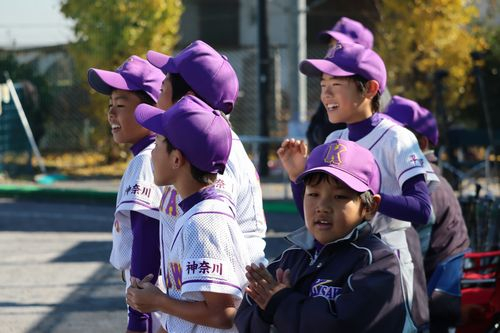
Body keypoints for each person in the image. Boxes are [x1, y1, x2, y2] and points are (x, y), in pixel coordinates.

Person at [279, 42, 440, 330]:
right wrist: (296, 177)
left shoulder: (396, 138)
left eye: (336, 84)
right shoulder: (333, 139)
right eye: (323, 83)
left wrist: (369, 200)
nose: (325, 93)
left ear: (369, 89)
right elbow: (315, 211)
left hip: (386, 257)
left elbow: (422, 208)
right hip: (340, 257)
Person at [235, 139, 415, 333]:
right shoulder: (290, 258)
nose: (322, 207)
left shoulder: (377, 261)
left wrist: (280, 302)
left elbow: (343, 326)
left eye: (339, 197)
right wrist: (265, 310)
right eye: (313, 194)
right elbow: (243, 320)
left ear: (369, 207)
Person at [126, 95, 250, 333]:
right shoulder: (193, 212)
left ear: (176, 159)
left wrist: (158, 301)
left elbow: (223, 314)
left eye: (158, 143)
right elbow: (188, 310)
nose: (151, 153)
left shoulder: (204, 222)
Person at [146, 40, 267, 265]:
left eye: (162, 89)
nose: (156, 99)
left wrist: (164, 302)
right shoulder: (196, 143)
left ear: (188, 99)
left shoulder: (214, 156)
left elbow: (217, 265)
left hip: (222, 291)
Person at [87, 56, 164, 333]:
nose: (111, 114)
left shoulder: (146, 160)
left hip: (152, 300)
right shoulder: (156, 154)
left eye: (120, 105)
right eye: (110, 106)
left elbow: (146, 238)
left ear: (152, 109)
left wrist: (138, 320)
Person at [385, 96, 470, 332]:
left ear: (420, 143)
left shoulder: (424, 184)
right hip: (437, 291)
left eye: (396, 137)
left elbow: (410, 257)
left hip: (433, 301)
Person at [308, 17, 389, 150]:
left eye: (340, 45)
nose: (333, 51)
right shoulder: (333, 96)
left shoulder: (376, 99)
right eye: (331, 46)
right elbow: (315, 132)